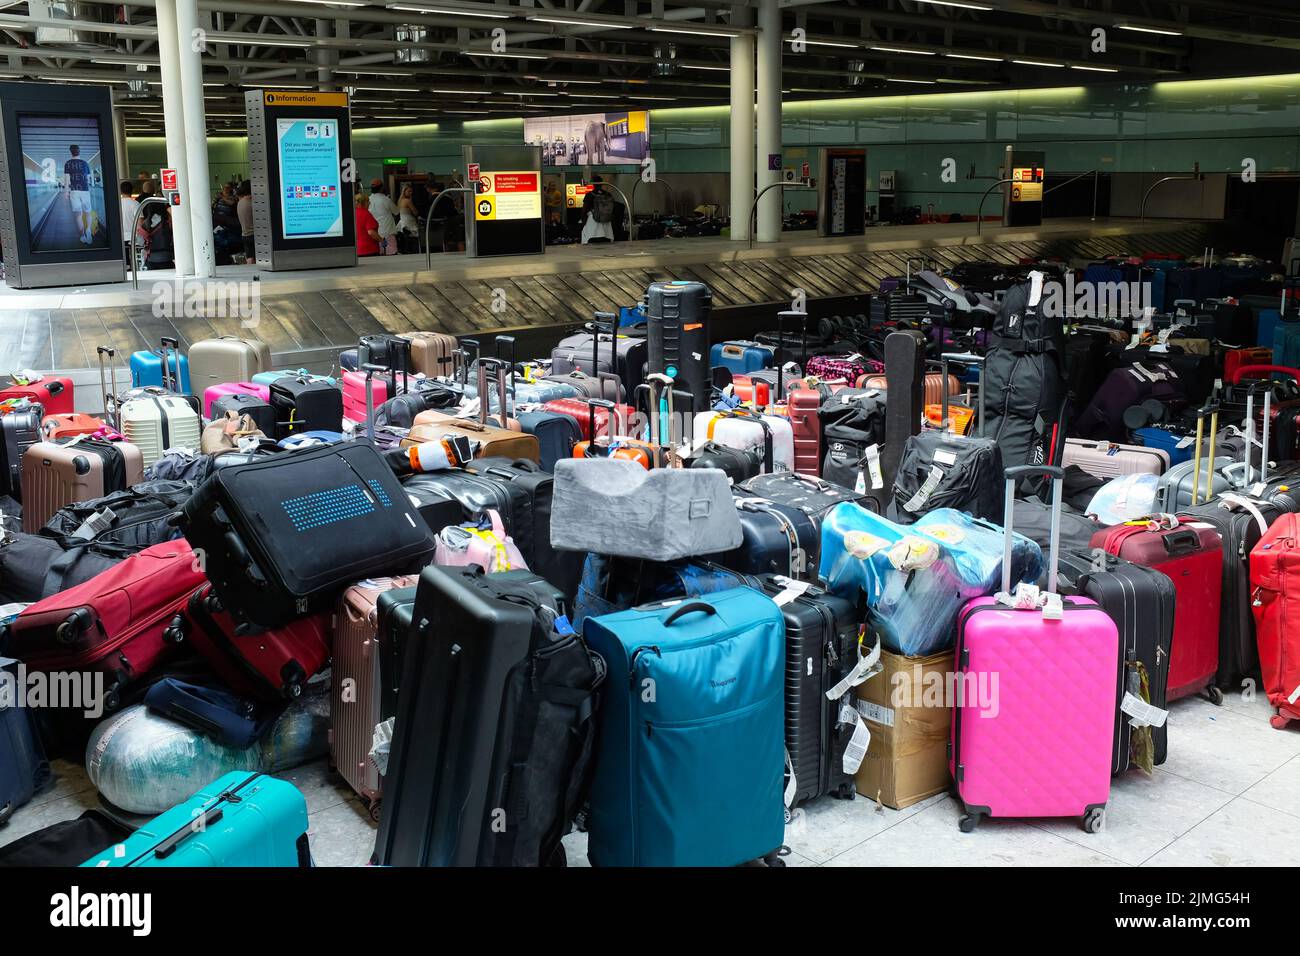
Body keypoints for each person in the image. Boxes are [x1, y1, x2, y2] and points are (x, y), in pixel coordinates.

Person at [64, 144, 94, 245]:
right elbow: (88, 178)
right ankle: (88, 229)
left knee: (78, 215)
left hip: (74, 191)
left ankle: (82, 236)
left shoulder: (67, 163)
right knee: (88, 212)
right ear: (79, 151)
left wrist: (66, 192)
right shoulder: (85, 163)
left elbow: (67, 180)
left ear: (70, 152)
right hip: (85, 190)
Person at [367, 179, 399, 255]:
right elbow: (396, 212)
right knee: (391, 255)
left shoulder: (368, 200)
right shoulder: (386, 200)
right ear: (381, 188)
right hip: (387, 233)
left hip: (375, 235)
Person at [581, 175, 615, 244]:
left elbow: (584, 210)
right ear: (601, 183)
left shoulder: (589, 195)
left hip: (593, 221)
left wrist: (584, 223)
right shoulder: (608, 194)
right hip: (606, 222)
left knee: (588, 239)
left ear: (593, 183)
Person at [355, 192, 381, 258]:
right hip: (369, 249)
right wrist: (381, 240)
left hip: (357, 249)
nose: (369, 203)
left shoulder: (353, 214)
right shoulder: (366, 214)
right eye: (368, 201)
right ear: (363, 202)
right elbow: (371, 232)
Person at [119, 181, 139, 263]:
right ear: (132, 190)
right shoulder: (135, 204)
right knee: (133, 260)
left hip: (120, 237)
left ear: (120, 191)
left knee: (124, 260)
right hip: (133, 237)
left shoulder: (117, 203)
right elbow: (140, 222)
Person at [236, 180, 255, 264]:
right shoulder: (253, 202)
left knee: (249, 258)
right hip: (255, 234)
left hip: (245, 234)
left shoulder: (240, 202)